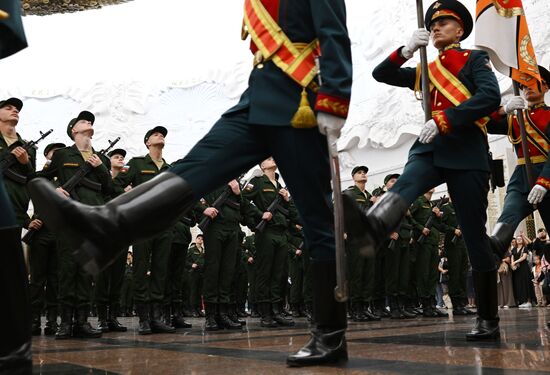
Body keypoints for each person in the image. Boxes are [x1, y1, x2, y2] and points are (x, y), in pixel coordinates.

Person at [29, 0, 352, 366]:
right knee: (196, 166)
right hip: (258, 98)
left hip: (300, 101)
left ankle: (329, 334)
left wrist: (335, 96)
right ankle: (108, 225)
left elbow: (334, 33)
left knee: (316, 219)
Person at [348, 0, 501, 340]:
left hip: (466, 152)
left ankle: (488, 318)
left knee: (474, 237)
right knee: (407, 181)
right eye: (432, 24)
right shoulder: (424, 68)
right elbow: (381, 74)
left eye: (443, 23)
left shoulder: (475, 60)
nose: (435, 28)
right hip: (431, 149)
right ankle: (373, 226)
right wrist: (405, 49)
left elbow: (490, 97)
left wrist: (445, 118)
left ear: (460, 30)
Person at [37, 111, 113, 339]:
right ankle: (66, 322)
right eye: (83, 121)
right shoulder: (62, 155)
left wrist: (100, 167)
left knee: (86, 271)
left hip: (91, 220)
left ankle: (82, 321)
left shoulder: (102, 158)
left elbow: (109, 189)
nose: (88, 123)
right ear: (73, 130)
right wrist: (53, 190)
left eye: (91, 121)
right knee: (68, 270)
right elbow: (39, 177)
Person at [110, 126, 176, 335]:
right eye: (156, 134)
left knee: (160, 270)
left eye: (162, 134)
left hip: (164, 226)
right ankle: (144, 318)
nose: (160, 136)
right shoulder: (138, 164)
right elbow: (115, 186)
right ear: (147, 142)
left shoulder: (169, 168)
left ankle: (156, 317)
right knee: (140, 269)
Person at [487, 66, 550, 255]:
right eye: (523, 85)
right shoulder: (516, 118)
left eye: (532, 82)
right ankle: (496, 244)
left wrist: (544, 183)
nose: (526, 87)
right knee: (509, 212)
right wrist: (504, 109)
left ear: (545, 86)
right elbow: (488, 124)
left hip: (546, 176)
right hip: (521, 177)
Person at [28, 142, 65, 337]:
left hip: (58, 234)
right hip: (40, 232)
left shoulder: (68, 178)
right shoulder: (39, 176)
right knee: (37, 279)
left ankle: (52, 321)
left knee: (55, 280)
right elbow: (20, 198)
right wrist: (27, 222)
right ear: (47, 156)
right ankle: (34, 320)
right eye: (55, 153)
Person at [94, 148, 129, 333]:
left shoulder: (128, 182)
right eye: (116, 156)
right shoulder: (101, 179)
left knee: (117, 276)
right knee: (103, 277)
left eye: (122, 157)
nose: (121, 158)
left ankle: (112, 317)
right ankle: (101, 317)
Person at [343, 166, 378, 321]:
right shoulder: (349, 193)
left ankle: (364, 307)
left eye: (364, 173)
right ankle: (355, 308)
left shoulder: (369, 196)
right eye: (359, 172)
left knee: (368, 273)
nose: (363, 174)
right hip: (354, 237)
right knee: (356, 274)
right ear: (353, 177)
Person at [511, 234, 534, 308]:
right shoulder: (514, 249)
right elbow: (512, 257)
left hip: (524, 268)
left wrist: (515, 262)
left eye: (520, 239)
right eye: (517, 239)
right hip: (517, 269)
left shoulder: (525, 248)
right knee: (519, 284)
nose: (519, 240)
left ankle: (528, 301)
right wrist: (512, 264)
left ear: (522, 240)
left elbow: (524, 257)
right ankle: (522, 301)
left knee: (525, 283)